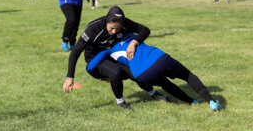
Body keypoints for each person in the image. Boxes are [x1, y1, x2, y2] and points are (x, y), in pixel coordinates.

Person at [63, 6, 170, 110]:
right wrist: (70, 77)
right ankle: (121, 102)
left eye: (117, 29)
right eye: (111, 28)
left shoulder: (125, 23)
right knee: (115, 72)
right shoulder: (93, 28)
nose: (114, 31)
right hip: (96, 58)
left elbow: (145, 30)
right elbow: (75, 52)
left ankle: (153, 93)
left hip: (113, 54)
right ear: (106, 22)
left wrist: (134, 42)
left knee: (135, 71)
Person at [86, 33, 223, 112]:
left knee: (165, 84)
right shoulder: (133, 36)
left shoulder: (108, 51)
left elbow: (90, 66)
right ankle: (211, 102)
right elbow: (144, 30)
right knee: (186, 75)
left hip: (144, 74)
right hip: (160, 59)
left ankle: (192, 102)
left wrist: (99, 76)